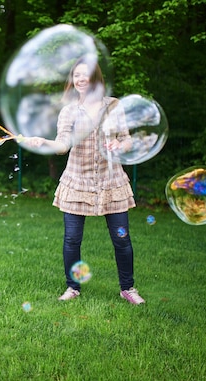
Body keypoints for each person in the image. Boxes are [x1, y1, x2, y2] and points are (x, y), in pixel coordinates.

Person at [26, 56, 145, 305]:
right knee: (71, 239)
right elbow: (63, 145)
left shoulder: (113, 106)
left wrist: (118, 144)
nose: (80, 79)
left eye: (85, 74)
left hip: (111, 182)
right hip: (77, 181)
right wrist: (44, 142)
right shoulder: (69, 110)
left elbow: (127, 139)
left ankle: (128, 288)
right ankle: (73, 287)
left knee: (122, 239)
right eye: (76, 75)